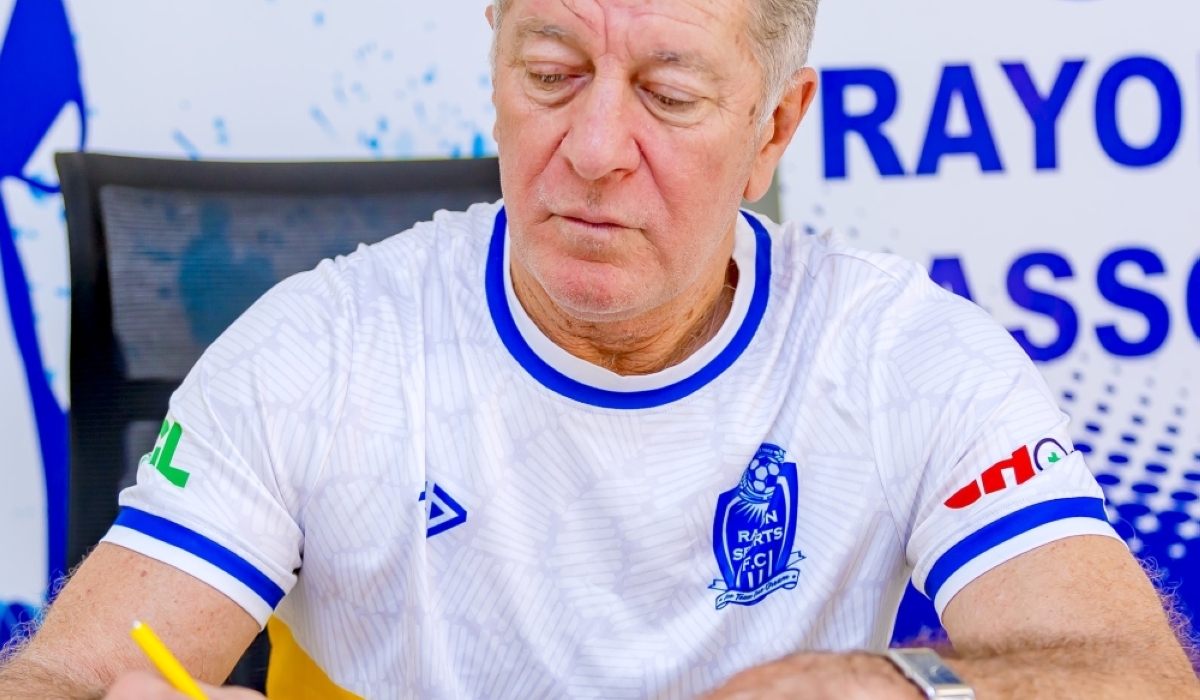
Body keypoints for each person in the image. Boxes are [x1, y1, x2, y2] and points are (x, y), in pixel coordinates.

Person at [2, 0, 1197, 697]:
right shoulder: (322, 348)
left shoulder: (904, 356)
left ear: (774, 125)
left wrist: (899, 687)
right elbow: (60, 678)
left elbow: (1134, 677)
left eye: (669, 94)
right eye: (552, 74)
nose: (593, 147)